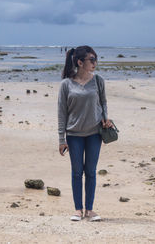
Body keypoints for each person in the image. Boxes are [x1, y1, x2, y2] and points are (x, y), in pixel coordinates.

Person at [58, 45, 112, 222]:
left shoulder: (98, 81)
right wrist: (61, 138)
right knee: (76, 172)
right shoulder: (66, 84)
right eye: (92, 60)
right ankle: (78, 210)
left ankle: (89, 210)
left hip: (94, 134)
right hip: (73, 135)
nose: (95, 63)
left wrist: (106, 118)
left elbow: (103, 102)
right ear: (80, 62)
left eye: (96, 59)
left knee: (90, 171)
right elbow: (62, 113)